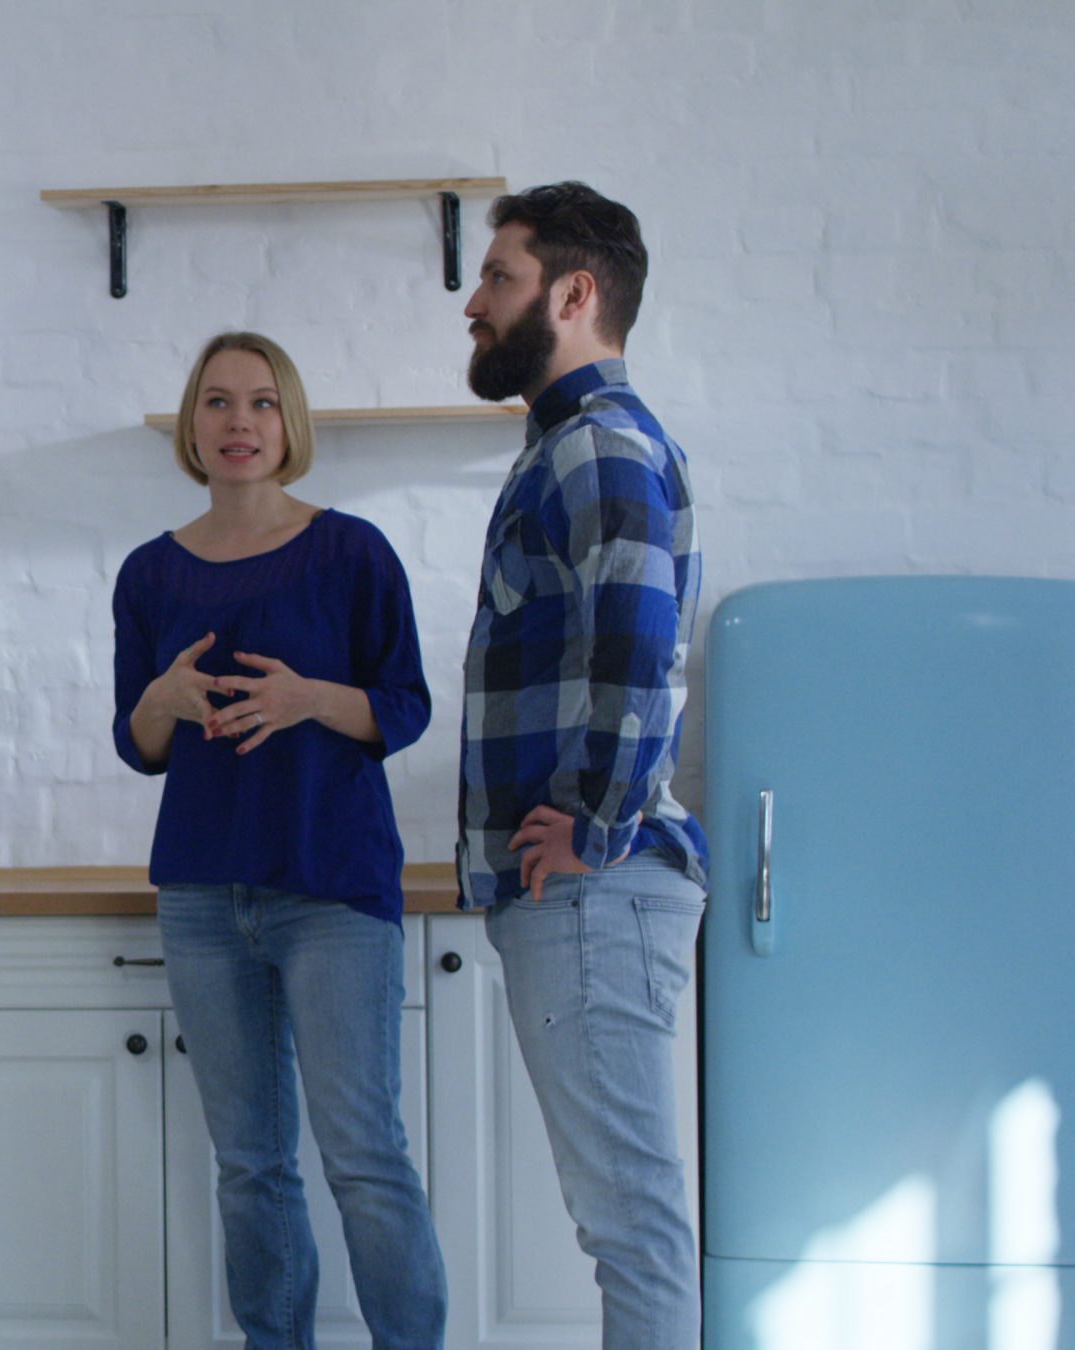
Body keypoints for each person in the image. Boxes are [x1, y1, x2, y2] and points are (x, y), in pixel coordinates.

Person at [112, 332, 446, 1349]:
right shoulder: (148, 574)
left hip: (331, 890)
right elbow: (140, 745)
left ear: (288, 423)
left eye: (259, 403)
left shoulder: (350, 553)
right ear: (191, 426)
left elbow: (407, 707)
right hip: (204, 900)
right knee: (249, 1162)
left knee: (362, 1154)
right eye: (215, 403)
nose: (237, 422)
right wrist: (160, 700)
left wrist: (309, 699)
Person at [457, 181, 705, 1350]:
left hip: (594, 891)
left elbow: (642, 648)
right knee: (626, 1218)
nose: (474, 302)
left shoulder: (596, 447)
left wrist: (592, 822)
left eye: (497, 277)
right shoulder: (569, 447)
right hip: (585, 893)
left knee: (632, 1225)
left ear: (573, 292)